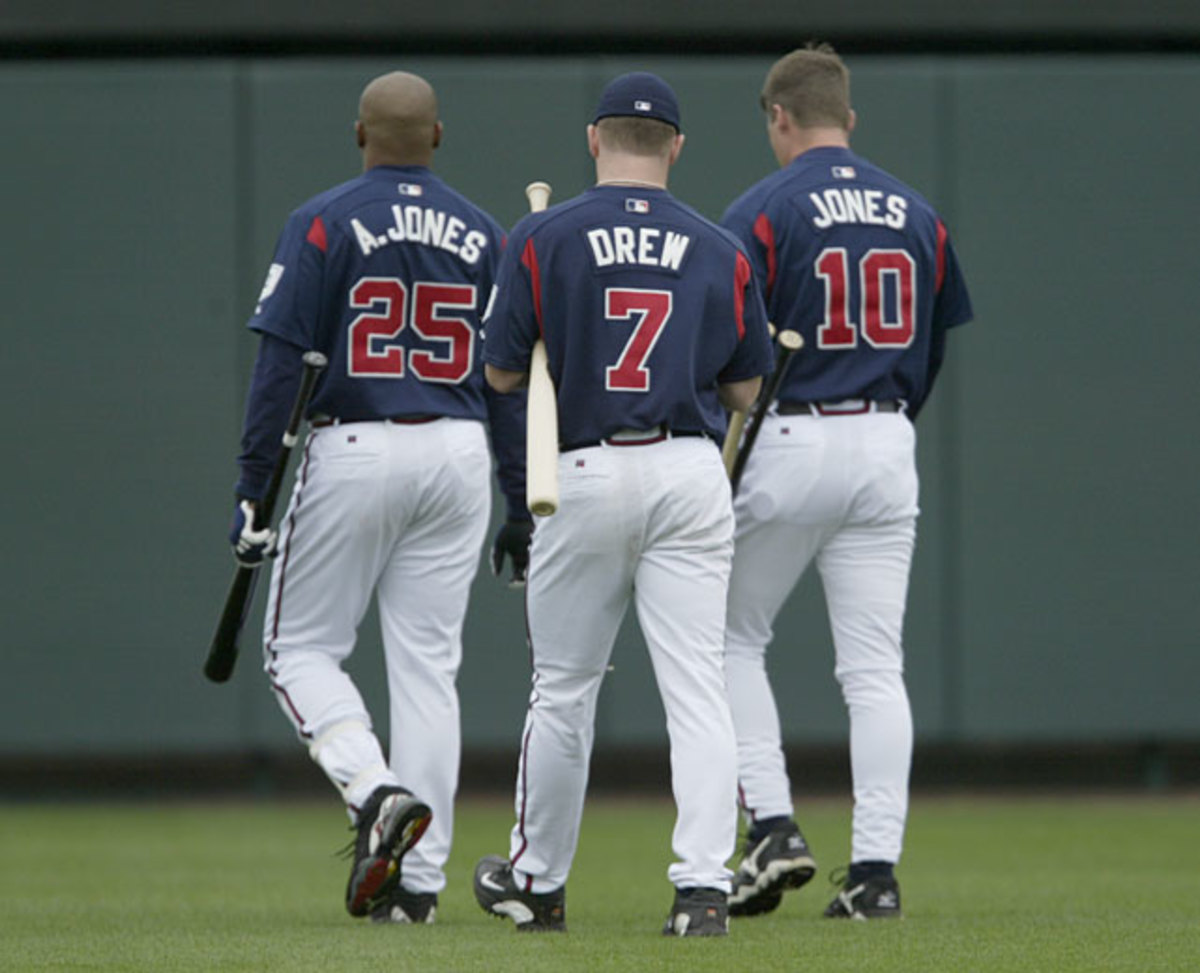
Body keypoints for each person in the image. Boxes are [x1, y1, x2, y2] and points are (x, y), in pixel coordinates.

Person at [471, 72, 775, 937]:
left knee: (563, 691)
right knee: (699, 692)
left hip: (584, 471)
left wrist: (552, 345)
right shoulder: (721, 248)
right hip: (687, 468)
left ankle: (537, 881)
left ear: (594, 140)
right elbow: (748, 387)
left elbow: (497, 373)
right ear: (676, 147)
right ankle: (704, 890)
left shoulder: (544, 235)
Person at [228, 70, 528, 923]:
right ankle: (418, 886)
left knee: (299, 650)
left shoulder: (322, 219)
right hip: (461, 446)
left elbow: (281, 364)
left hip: (354, 441)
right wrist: (517, 500)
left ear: (359, 135)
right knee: (429, 670)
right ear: (438, 137)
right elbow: (509, 385)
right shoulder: (483, 231)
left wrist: (253, 488)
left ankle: (374, 792)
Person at [719, 43, 974, 920]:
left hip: (790, 431)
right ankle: (875, 873)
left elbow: (728, 347)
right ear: (850, 119)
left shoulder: (760, 208)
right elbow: (934, 345)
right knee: (874, 669)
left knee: (727, 638)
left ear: (779, 118)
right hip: (886, 438)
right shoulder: (918, 210)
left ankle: (776, 823)